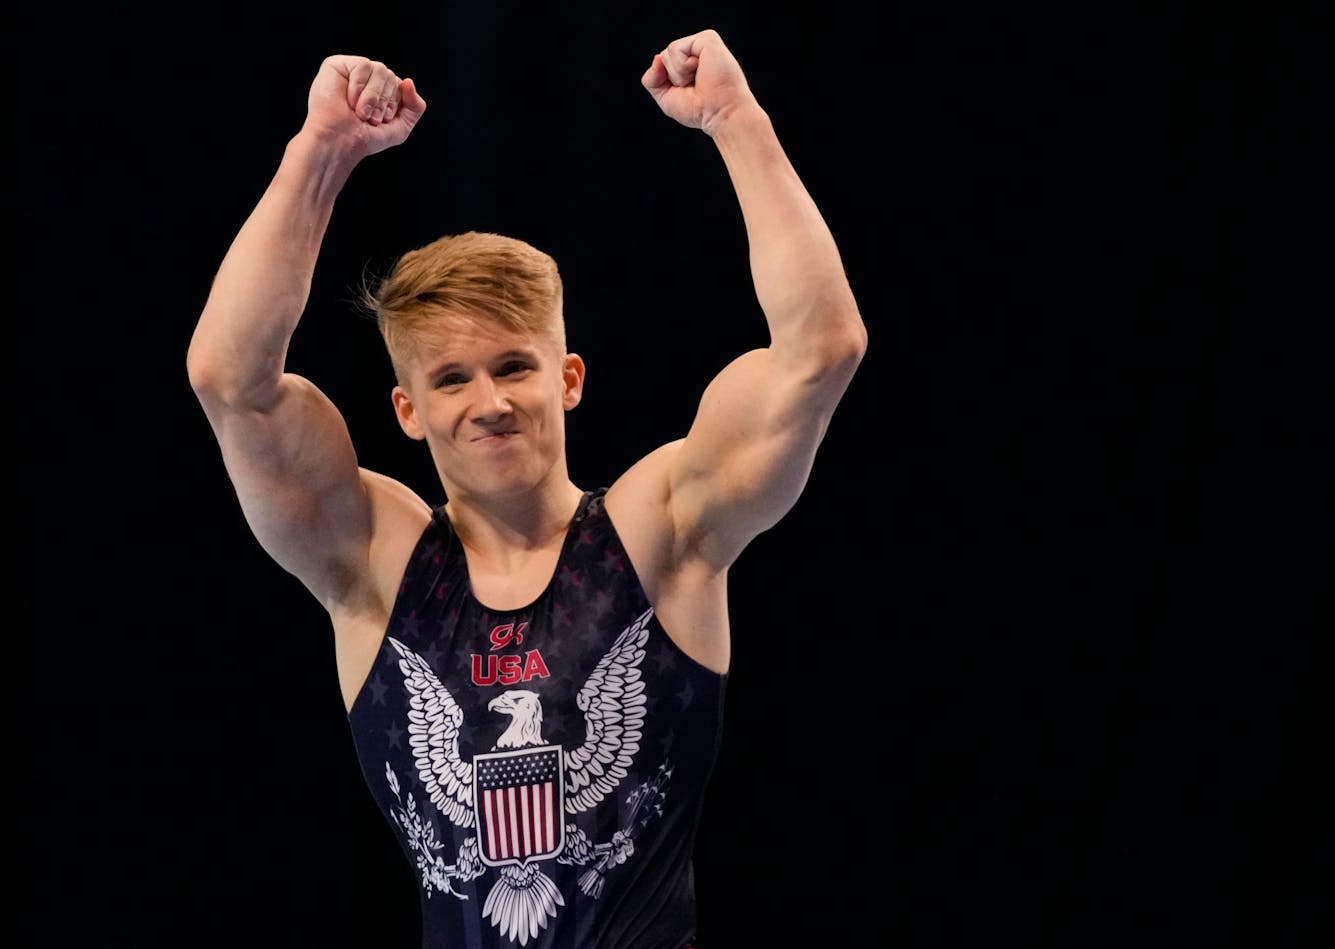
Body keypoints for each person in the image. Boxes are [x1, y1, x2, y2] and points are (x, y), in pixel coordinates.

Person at [187, 28, 865, 949]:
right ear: (408, 409)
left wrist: (736, 122)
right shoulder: (377, 562)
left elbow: (820, 352)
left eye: (515, 366)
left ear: (569, 378)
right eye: (453, 379)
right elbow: (231, 378)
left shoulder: (660, 530)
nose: (492, 402)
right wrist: (322, 152)